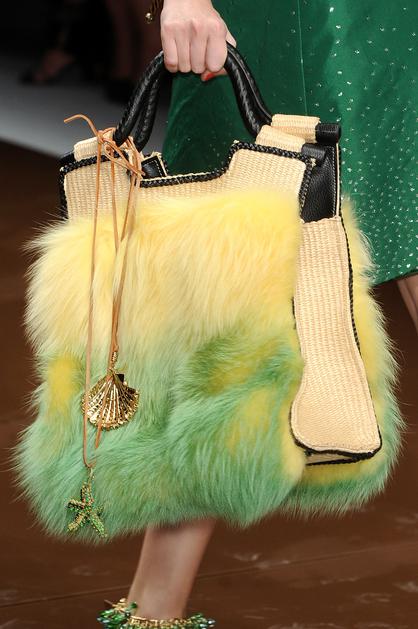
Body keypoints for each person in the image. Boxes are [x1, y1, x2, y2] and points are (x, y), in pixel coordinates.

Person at [93, 0, 415, 624]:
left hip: (394, 31)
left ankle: (150, 613)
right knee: (230, 316)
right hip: (268, 25)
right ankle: (150, 612)